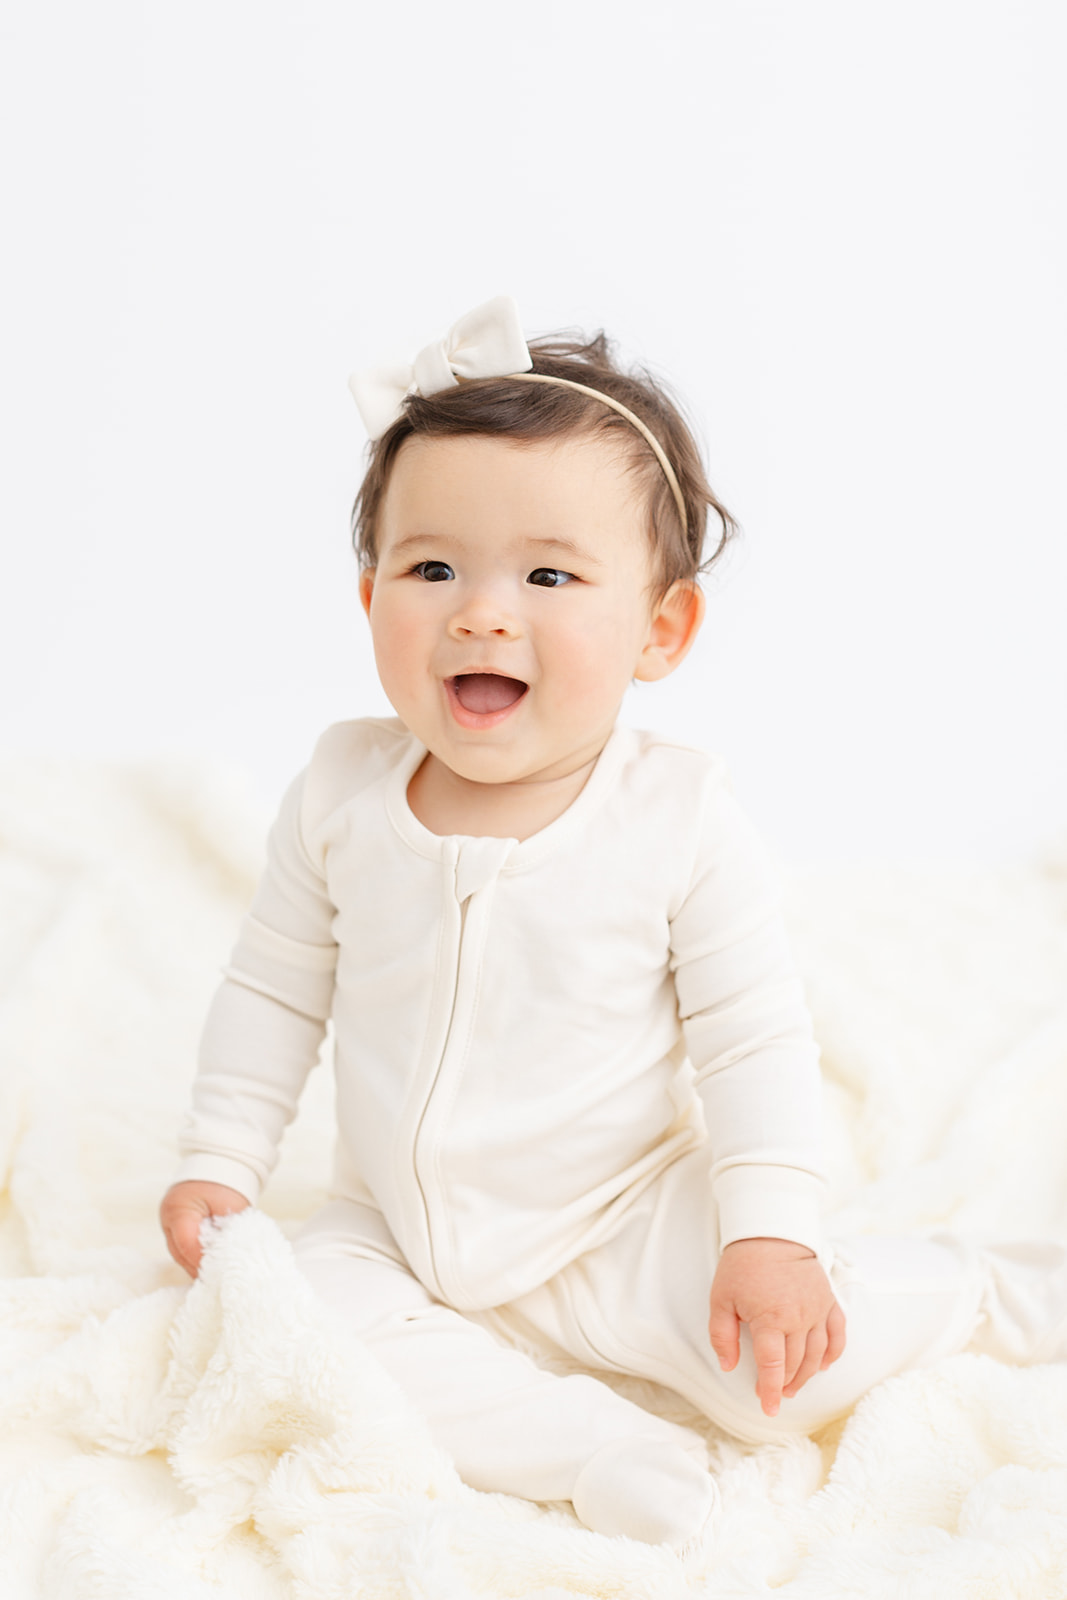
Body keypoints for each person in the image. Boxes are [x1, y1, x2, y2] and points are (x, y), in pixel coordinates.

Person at [159, 296, 1067, 1552]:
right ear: (369, 595)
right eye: (433, 568)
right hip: (397, 1225)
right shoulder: (339, 796)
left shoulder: (676, 822)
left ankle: (983, 1290)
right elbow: (271, 990)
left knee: (780, 1373)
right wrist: (222, 1158)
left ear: (661, 628)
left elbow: (755, 1045)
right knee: (303, 1314)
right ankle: (590, 1450)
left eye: (547, 575)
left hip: (623, 1216)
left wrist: (766, 1239)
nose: (481, 611)